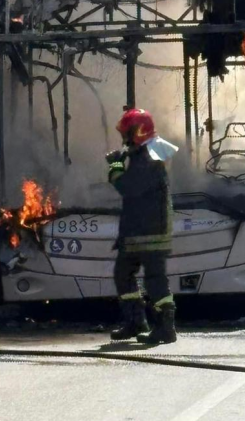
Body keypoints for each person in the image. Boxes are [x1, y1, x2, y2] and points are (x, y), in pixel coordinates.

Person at [107, 108, 179, 345]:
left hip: (150, 232)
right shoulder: (145, 153)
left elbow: (127, 187)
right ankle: (135, 321)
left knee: (155, 279)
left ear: (137, 132)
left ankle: (165, 328)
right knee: (123, 274)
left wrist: (116, 166)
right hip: (139, 230)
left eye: (127, 133)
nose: (124, 138)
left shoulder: (150, 157)